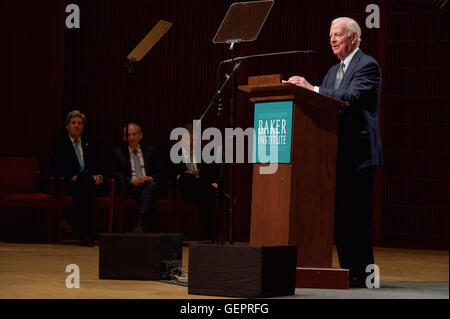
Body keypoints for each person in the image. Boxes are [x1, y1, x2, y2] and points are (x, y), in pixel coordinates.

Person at [287, 17, 383, 288]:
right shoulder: (332, 71)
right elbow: (323, 104)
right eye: (330, 35)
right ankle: (347, 271)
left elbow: (349, 99)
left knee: (358, 216)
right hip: (333, 155)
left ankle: (364, 275)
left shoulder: (368, 65)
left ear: (353, 37)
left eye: (337, 35)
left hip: (359, 155)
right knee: (340, 216)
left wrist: (312, 88)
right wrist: (305, 93)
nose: (332, 40)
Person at [50, 110, 104, 247]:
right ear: (67, 126)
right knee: (85, 184)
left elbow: (99, 165)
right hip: (68, 185)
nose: (76, 125)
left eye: (79, 123)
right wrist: (71, 177)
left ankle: (77, 225)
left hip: (87, 185)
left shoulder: (90, 145)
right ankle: (87, 233)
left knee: (85, 183)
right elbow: (54, 168)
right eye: (73, 123)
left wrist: (99, 176)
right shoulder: (59, 145)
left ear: (83, 127)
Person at [169, 123, 220, 241]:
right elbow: (169, 175)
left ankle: (210, 238)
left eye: (194, 139)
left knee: (207, 196)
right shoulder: (174, 153)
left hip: (201, 192)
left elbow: (212, 174)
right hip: (183, 191)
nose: (191, 142)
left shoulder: (205, 153)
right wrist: (183, 175)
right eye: (188, 139)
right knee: (188, 178)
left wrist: (212, 181)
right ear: (181, 139)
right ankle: (222, 195)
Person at [111, 123, 161, 233]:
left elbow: (159, 171)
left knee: (151, 186)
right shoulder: (118, 152)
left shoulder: (150, 151)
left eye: (134, 134)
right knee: (150, 194)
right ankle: (144, 221)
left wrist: (151, 177)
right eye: (128, 135)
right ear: (124, 138)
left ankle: (140, 218)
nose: (132, 137)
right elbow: (113, 172)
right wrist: (130, 180)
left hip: (147, 184)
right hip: (129, 187)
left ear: (140, 135)